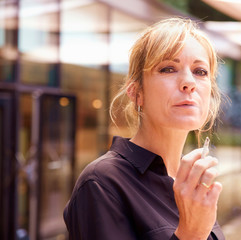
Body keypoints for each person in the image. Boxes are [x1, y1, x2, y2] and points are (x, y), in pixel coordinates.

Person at [63, 17, 225, 240]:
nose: (189, 82)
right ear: (136, 92)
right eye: (168, 69)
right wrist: (192, 234)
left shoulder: (191, 180)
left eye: (200, 71)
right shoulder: (102, 182)